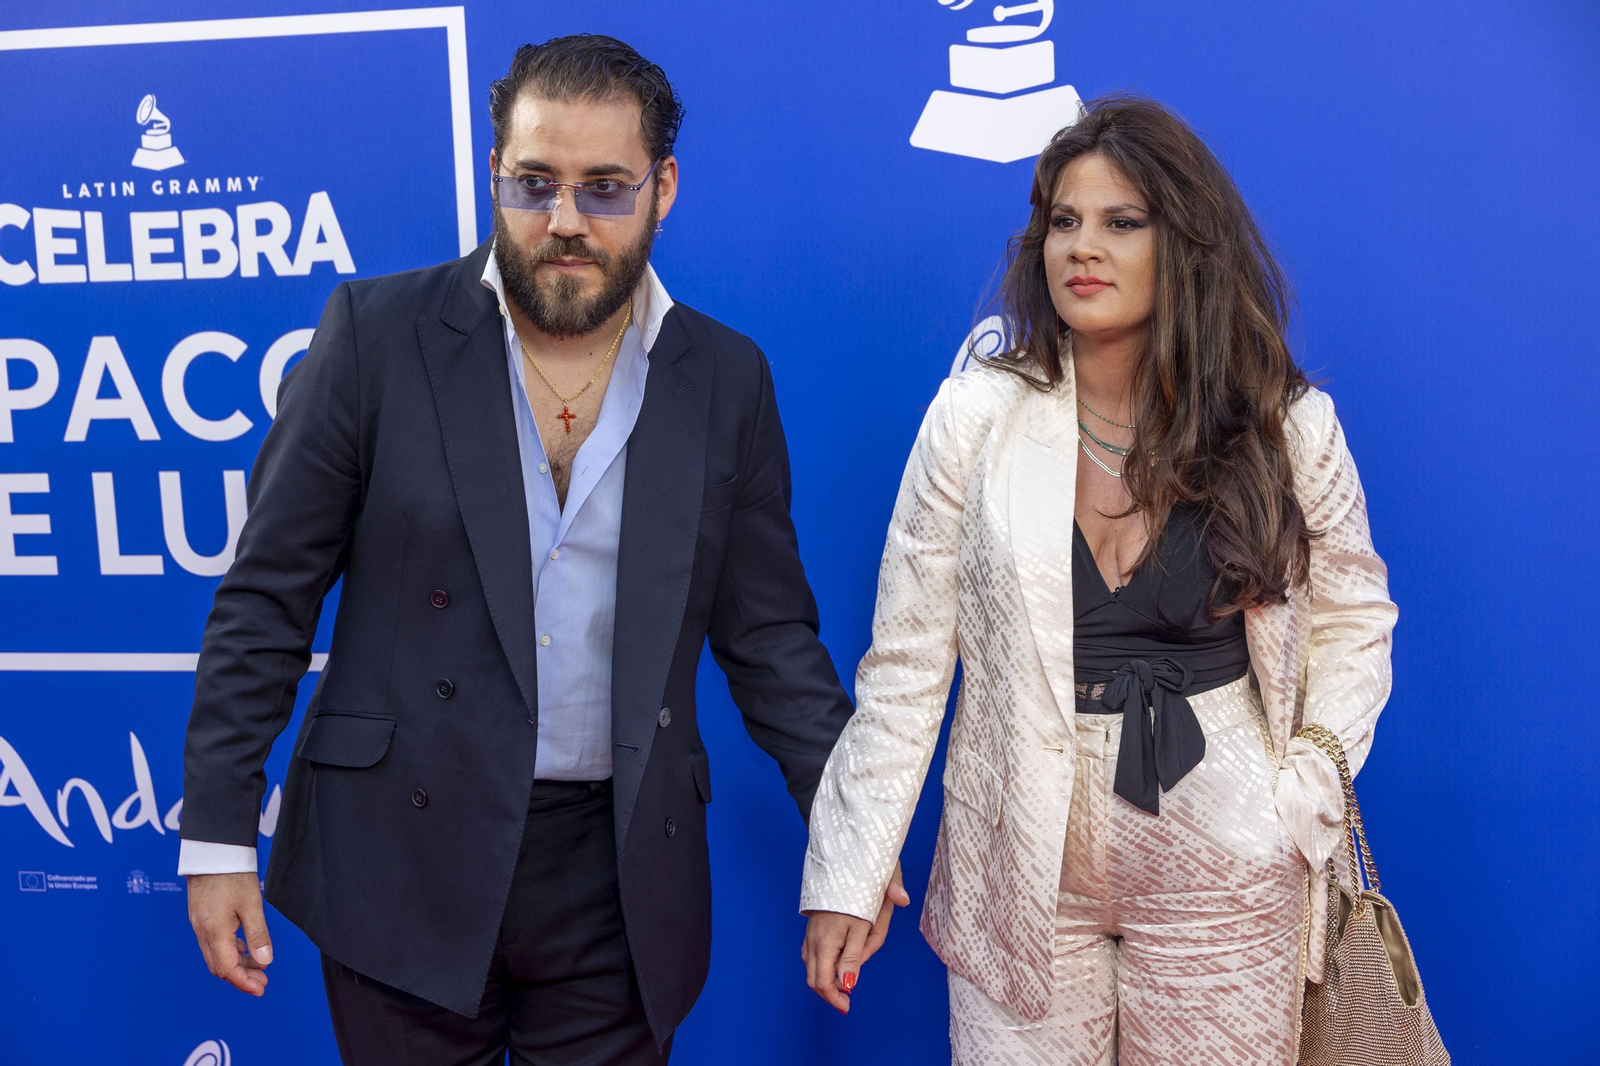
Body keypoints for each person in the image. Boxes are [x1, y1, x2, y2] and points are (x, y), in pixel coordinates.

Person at [179, 35, 893, 1065]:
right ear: (495, 175)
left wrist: (852, 833)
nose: (564, 220)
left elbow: (770, 638)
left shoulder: (724, 378)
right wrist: (216, 835)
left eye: (604, 188)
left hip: (618, 872)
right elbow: (265, 600)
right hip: (399, 852)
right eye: (535, 184)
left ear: (662, 188)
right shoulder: (375, 337)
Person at [798, 95, 1398, 1065]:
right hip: (1019, 851)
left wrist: (1309, 782)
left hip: (1226, 836)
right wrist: (850, 865)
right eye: (1063, 221)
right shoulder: (973, 418)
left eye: (1122, 222)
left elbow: (1353, 615)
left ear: (1185, 243)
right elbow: (905, 667)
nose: (1083, 247)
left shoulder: (1282, 425)